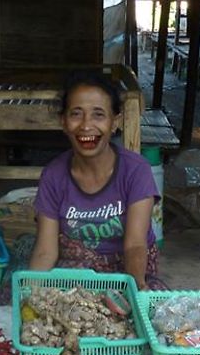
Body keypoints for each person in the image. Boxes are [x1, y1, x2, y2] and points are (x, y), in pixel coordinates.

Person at [28, 71, 165, 291]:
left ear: (114, 122)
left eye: (98, 115)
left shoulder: (136, 171)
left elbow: (135, 244)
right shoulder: (53, 176)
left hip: (128, 269)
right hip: (75, 271)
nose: (86, 126)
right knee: (23, 298)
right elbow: (46, 251)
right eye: (76, 114)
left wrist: (135, 288)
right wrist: (30, 292)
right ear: (63, 122)